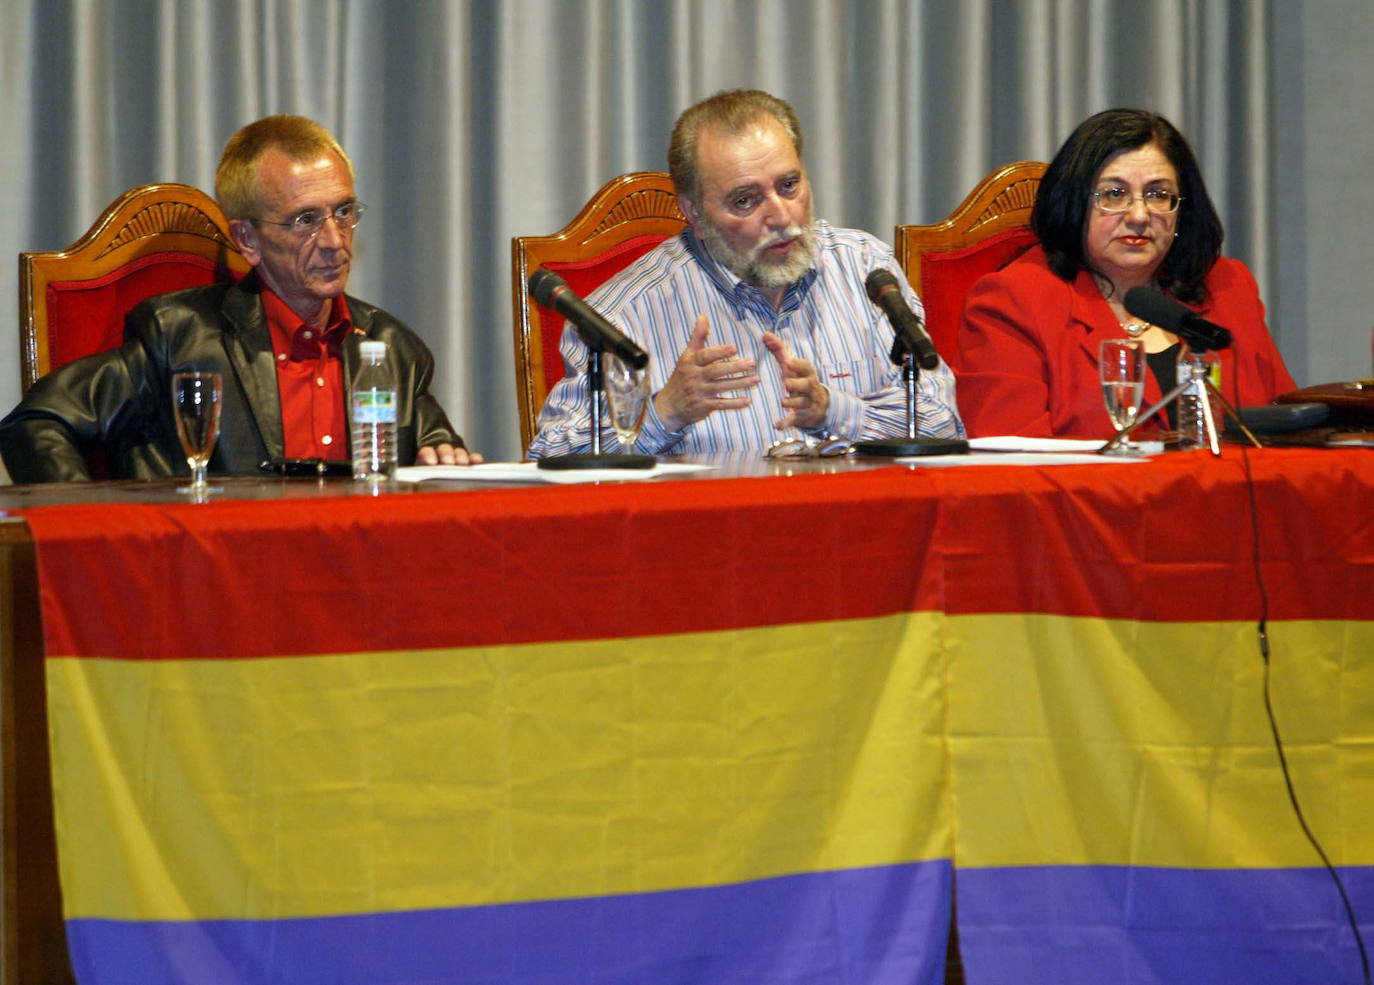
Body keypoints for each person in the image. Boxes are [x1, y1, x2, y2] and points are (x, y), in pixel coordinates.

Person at [0, 114, 481, 482]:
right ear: (247, 240)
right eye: (306, 220)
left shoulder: (393, 348)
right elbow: (36, 424)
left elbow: (436, 453)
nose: (335, 241)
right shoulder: (181, 337)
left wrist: (443, 459)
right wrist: (96, 532)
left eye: (343, 211)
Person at [528, 89, 963, 458]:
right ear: (694, 212)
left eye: (789, 186)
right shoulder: (622, 316)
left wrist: (834, 411)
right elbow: (551, 457)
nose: (780, 215)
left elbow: (944, 425)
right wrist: (665, 413)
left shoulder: (866, 269)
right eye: (745, 201)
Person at [955, 108, 1296, 439]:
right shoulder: (1015, 299)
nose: (1138, 215)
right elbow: (1009, 458)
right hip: (1087, 496)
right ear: (1075, 204)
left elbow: (1288, 426)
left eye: (1158, 195)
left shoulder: (1226, 286)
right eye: (1114, 194)